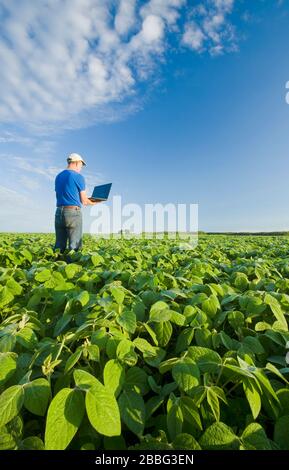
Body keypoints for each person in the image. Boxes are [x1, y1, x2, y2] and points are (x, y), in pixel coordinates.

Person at [54, 153, 99, 253]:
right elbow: (84, 200)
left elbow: (62, 194)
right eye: (81, 165)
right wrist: (94, 202)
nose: (81, 168)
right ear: (77, 163)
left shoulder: (58, 176)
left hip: (59, 212)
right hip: (73, 213)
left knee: (59, 246)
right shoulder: (78, 177)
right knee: (75, 246)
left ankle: (56, 266)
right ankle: (73, 266)